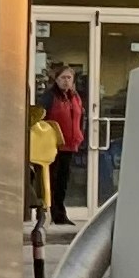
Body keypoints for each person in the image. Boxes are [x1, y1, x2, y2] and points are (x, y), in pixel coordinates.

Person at [45, 63, 87, 224]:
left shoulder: (74, 97)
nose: (66, 81)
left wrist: (80, 136)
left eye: (69, 78)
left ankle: (60, 213)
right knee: (53, 181)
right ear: (56, 79)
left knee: (63, 181)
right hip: (53, 146)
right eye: (63, 77)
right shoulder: (50, 97)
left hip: (70, 145)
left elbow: (80, 117)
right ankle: (54, 213)